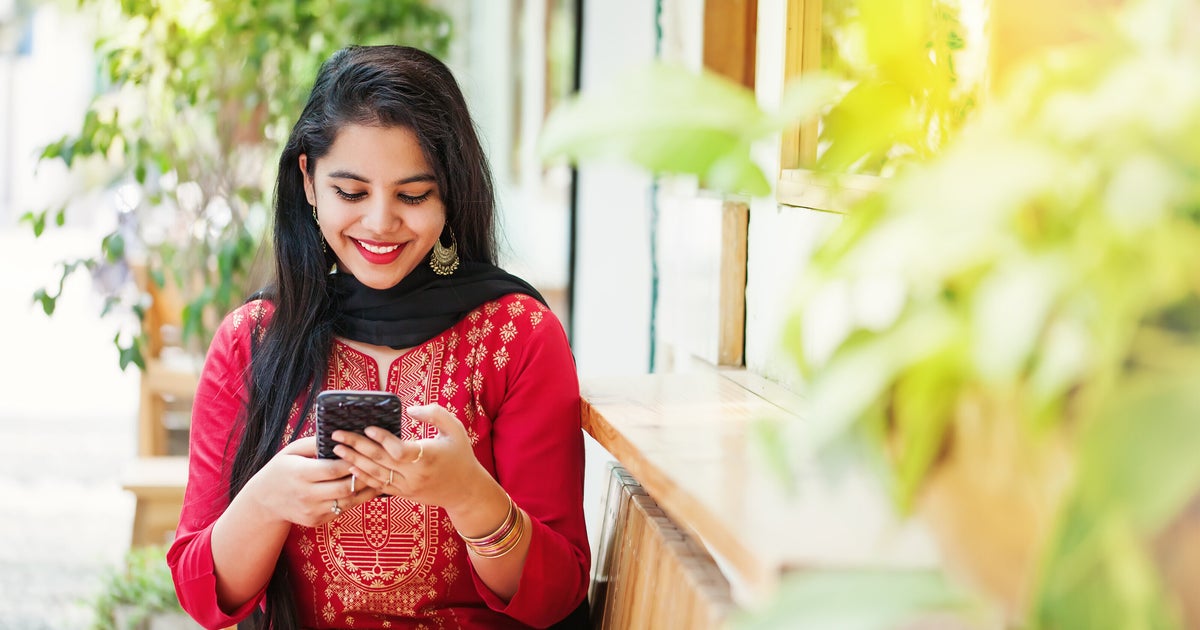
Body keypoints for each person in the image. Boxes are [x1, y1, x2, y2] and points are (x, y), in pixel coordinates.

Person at [167, 45, 590, 629]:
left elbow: (558, 594)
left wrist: (471, 497)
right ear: (309, 181)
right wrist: (268, 502)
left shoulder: (515, 335)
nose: (381, 222)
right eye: (352, 193)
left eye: (413, 195)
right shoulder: (253, 340)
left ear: (451, 192)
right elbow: (202, 596)